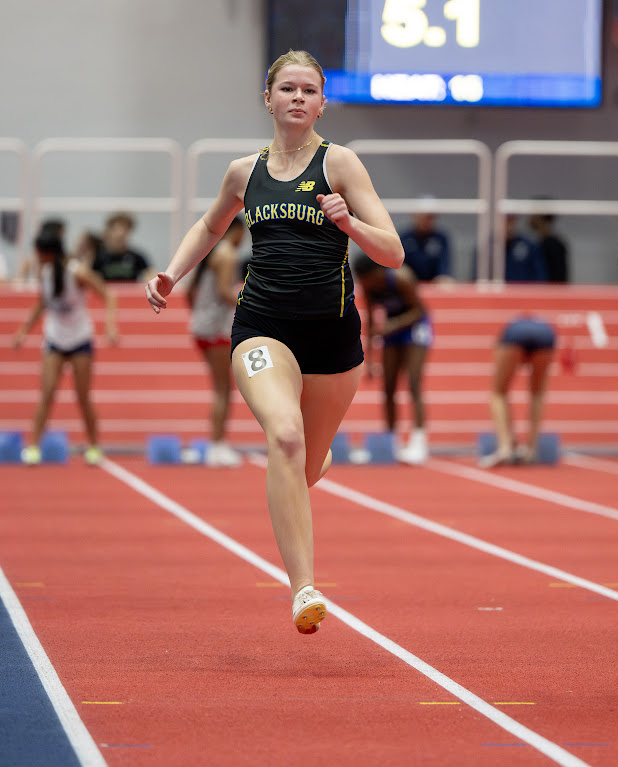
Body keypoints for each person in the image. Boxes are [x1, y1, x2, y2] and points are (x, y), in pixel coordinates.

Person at [145, 49, 404, 635]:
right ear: (268, 98)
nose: (298, 98)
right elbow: (211, 225)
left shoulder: (341, 164)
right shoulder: (245, 172)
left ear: (322, 103)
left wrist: (348, 223)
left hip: (333, 338)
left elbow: (393, 252)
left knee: (303, 466)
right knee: (284, 435)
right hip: (262, 325)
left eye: (309, 90)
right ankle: (304, 588)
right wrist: (172, 273)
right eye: (288, 88)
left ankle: (316, 453)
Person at [12, 232, 119, 465]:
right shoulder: (45, 273)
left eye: (39, 253)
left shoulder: (77, 272)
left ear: (48, 252)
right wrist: (23, 330)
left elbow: (108, 295)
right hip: (54, 339)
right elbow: (42, 303)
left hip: (80, 339)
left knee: (82, 396)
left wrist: (110, 325)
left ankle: (94, 446)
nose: (37, 257)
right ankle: (33, 447)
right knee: (47, 393)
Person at [352, 254, 432, 464]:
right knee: (388, 387)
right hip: (391, 330)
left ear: (377, 272)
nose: (365, 284)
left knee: (413, 382)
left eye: (367, 280)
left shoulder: (401, 278)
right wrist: (370, 360)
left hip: (415, 326)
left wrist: (393, 326)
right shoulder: (369, 287)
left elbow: (419, 310)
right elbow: (371, 322)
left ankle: (419, 441)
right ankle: (391, 441)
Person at [186, 216, 245, 468]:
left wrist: (199, 314)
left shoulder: (211, 252)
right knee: (223, 389)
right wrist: (249, 307)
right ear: (236, 231)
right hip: (217, 329)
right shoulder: (227, 254)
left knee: (221, 388)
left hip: (204, 327)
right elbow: (223, 292)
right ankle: (216, 445)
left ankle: (217, 443)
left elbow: (190, 290)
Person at [478, 317, 556, 468]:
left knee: (498, 393)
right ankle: (531, 450)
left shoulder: (504, 339)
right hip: (546, 336)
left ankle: (505, 448)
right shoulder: (540, 328)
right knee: (537, 394)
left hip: (514, 336)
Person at [92, 211, 154, 282]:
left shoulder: (137, 257)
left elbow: (151, 276)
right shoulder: (97, 256)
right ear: (108, 231)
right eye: (116, 229)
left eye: (125, 230)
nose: (121, 233)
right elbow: (86, 274)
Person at [398, 207, 452, 282]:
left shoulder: (441, 239)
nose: (424, 220)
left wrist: (443, 277)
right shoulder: (404, 238)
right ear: (414, 216)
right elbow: (400, 266)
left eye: (428, 217)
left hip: (434, 283)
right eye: (421, 216)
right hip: (408, 282)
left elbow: (444, 266)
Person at [529, 211, 570, 283]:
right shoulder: (538, 244)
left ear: (540, 217)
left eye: (533, 214)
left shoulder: (554, 246)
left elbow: (559, 278)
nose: (530, 217)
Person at [503, 215, 547, 282]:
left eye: (511, 221)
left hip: (524, 288)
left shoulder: (529, 246)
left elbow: (540, 276)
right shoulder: (491, 247)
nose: (508, 226)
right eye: (506, 221)